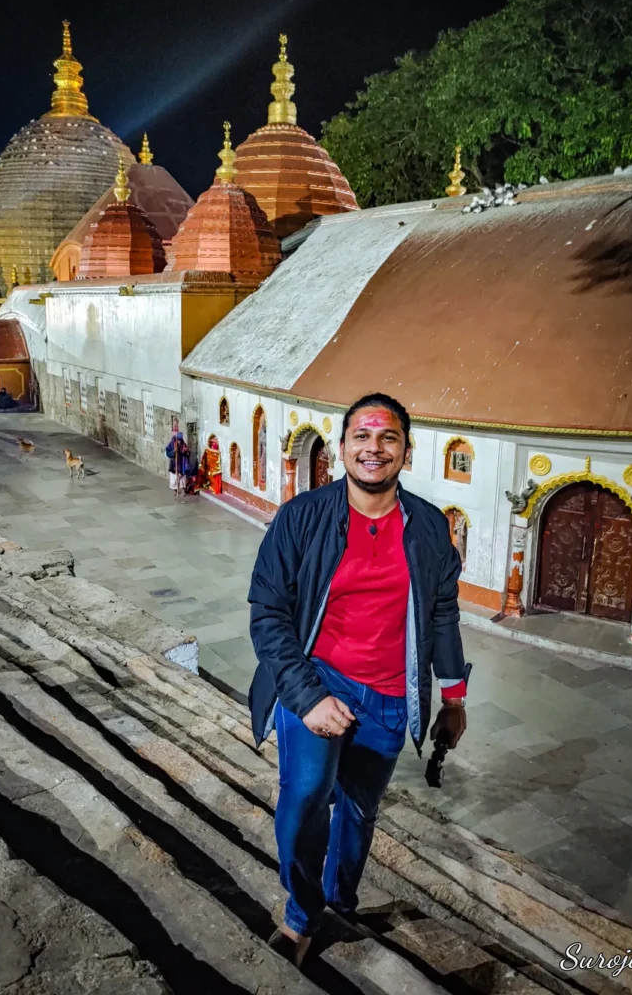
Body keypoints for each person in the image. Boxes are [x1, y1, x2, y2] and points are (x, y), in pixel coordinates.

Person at [248, 392, 468, 967]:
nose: (374, 449)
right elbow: (267, 614)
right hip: (318, 682)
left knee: (359, 809)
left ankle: (340, 903)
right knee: (303, 800)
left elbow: (443, 610)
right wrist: (308, 696)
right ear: (342, 448)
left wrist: (453, 696)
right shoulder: (303, 518)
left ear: (405, 451)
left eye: (388, 438)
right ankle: (301, 915)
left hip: (391, 696)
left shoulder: (426, 527)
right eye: (362, 438)